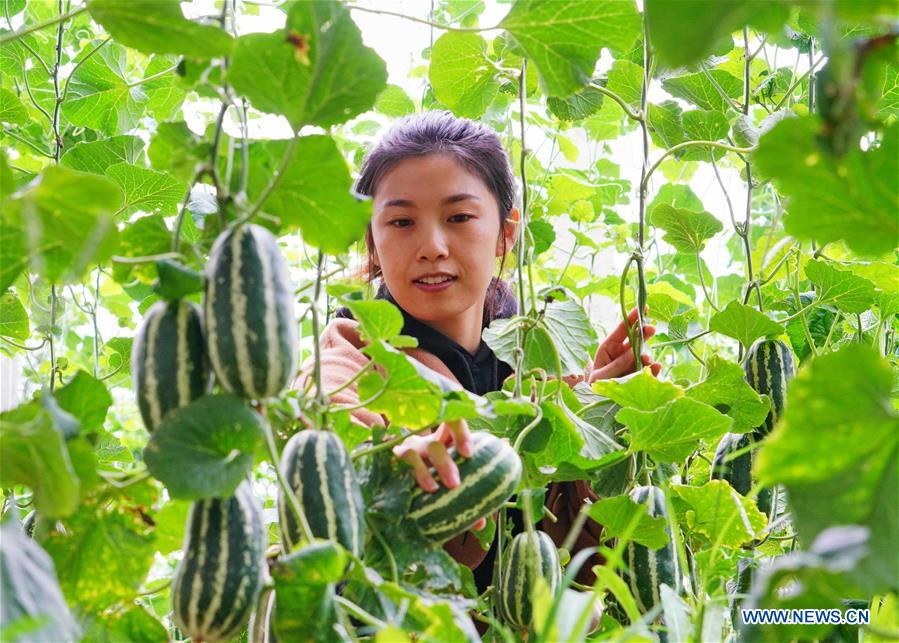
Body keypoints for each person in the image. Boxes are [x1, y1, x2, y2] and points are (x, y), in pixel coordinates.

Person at [295, 111, 661, 593]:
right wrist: (381, 466)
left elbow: (583, 566)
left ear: (507, 232)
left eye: (459, 217)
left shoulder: (538, 366)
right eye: (401, 221)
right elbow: (330, 433)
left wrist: (593, 417)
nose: (432, 247)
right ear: (373, 242)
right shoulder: (343, 362)